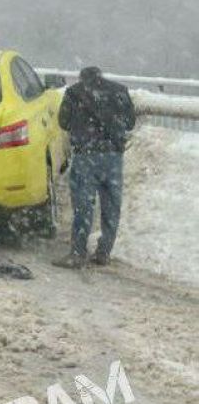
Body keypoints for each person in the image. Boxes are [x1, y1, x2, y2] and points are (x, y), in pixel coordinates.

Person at [52, 65, 136, 269]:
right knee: (111, 206)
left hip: (86, 156)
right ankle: (104, 252)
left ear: (82, 78)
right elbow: (130, 123)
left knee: (83, 206)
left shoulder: (74, 93)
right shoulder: (119, 91)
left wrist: (82, 125)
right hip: (113, 157)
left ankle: (78, 253)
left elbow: (63, 122)